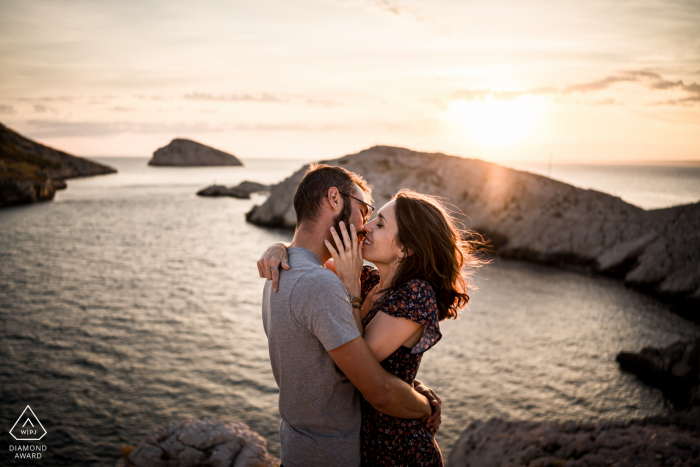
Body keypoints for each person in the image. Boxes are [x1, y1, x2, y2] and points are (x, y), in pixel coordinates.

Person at [261, 180, 482, 465]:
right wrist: (277, 248)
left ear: (404, 249)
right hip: (362, 443)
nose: (366, 227)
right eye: (372, 218)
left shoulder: (415, 295)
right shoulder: (370, 280)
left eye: (380, 225)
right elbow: (305, 259)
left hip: (399, 449)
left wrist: (351, 289)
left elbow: (358, 364)